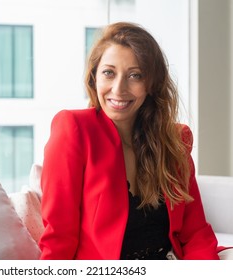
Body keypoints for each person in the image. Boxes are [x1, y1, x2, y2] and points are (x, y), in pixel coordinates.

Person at [38, 22, 220, 260]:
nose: (118, 88)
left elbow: (195, 232)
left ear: (151, 84)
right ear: (94, 78)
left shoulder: (175, 139)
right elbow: (59, 237)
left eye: (135, 75)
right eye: (109, 73)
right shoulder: (73, 129)